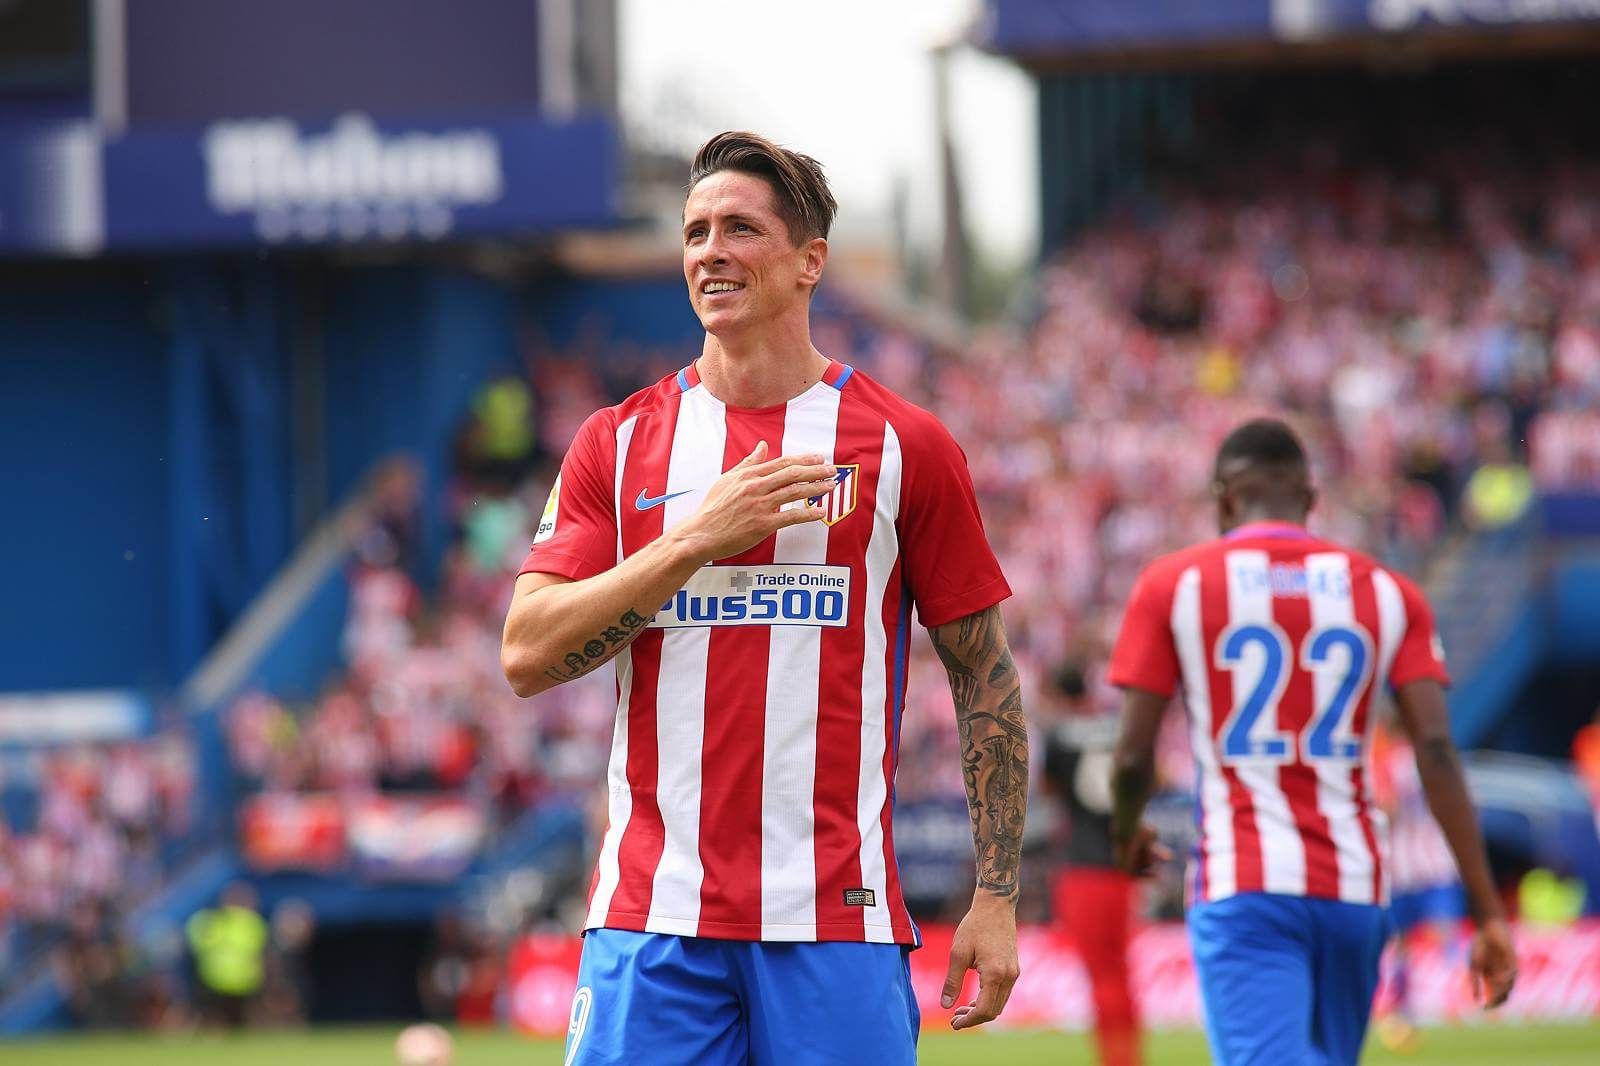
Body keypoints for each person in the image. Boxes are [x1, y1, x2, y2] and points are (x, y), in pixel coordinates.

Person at [501, 130, 1025, 1065]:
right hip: (655, 916)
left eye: (740, 228)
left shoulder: (908, 447)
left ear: (808, 262)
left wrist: (996, 895)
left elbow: (985, 679)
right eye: (696, 231)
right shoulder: (616, 443)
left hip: (835, 920)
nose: (709, 250)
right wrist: (696, 539)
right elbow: (527, 654)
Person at [1105, 418, 1517, 1066]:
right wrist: (1489, 912)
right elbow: (1436, 749)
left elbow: (1131, 754)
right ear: (1311, 497)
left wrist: (1126, 831)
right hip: (1355, 889)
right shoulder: (1388, 592)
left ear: (1222, 498)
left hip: (1246, 882)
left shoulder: (1175, 584)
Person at [1040, 662, 1142, 1066]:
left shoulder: (1060, 735)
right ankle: (1130, 1055)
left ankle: (1115, 1059)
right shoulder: (1116, 727)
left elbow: (1049, 790)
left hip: (1083, 866)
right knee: (1120, 970)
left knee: (1100, 972)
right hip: (1120, 863)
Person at [185, 881, 269, 1029]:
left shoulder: (251, 923)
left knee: (236, 1019)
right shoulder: (214, 921)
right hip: (218, 979)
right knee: (218, 1018)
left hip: (239, 980)